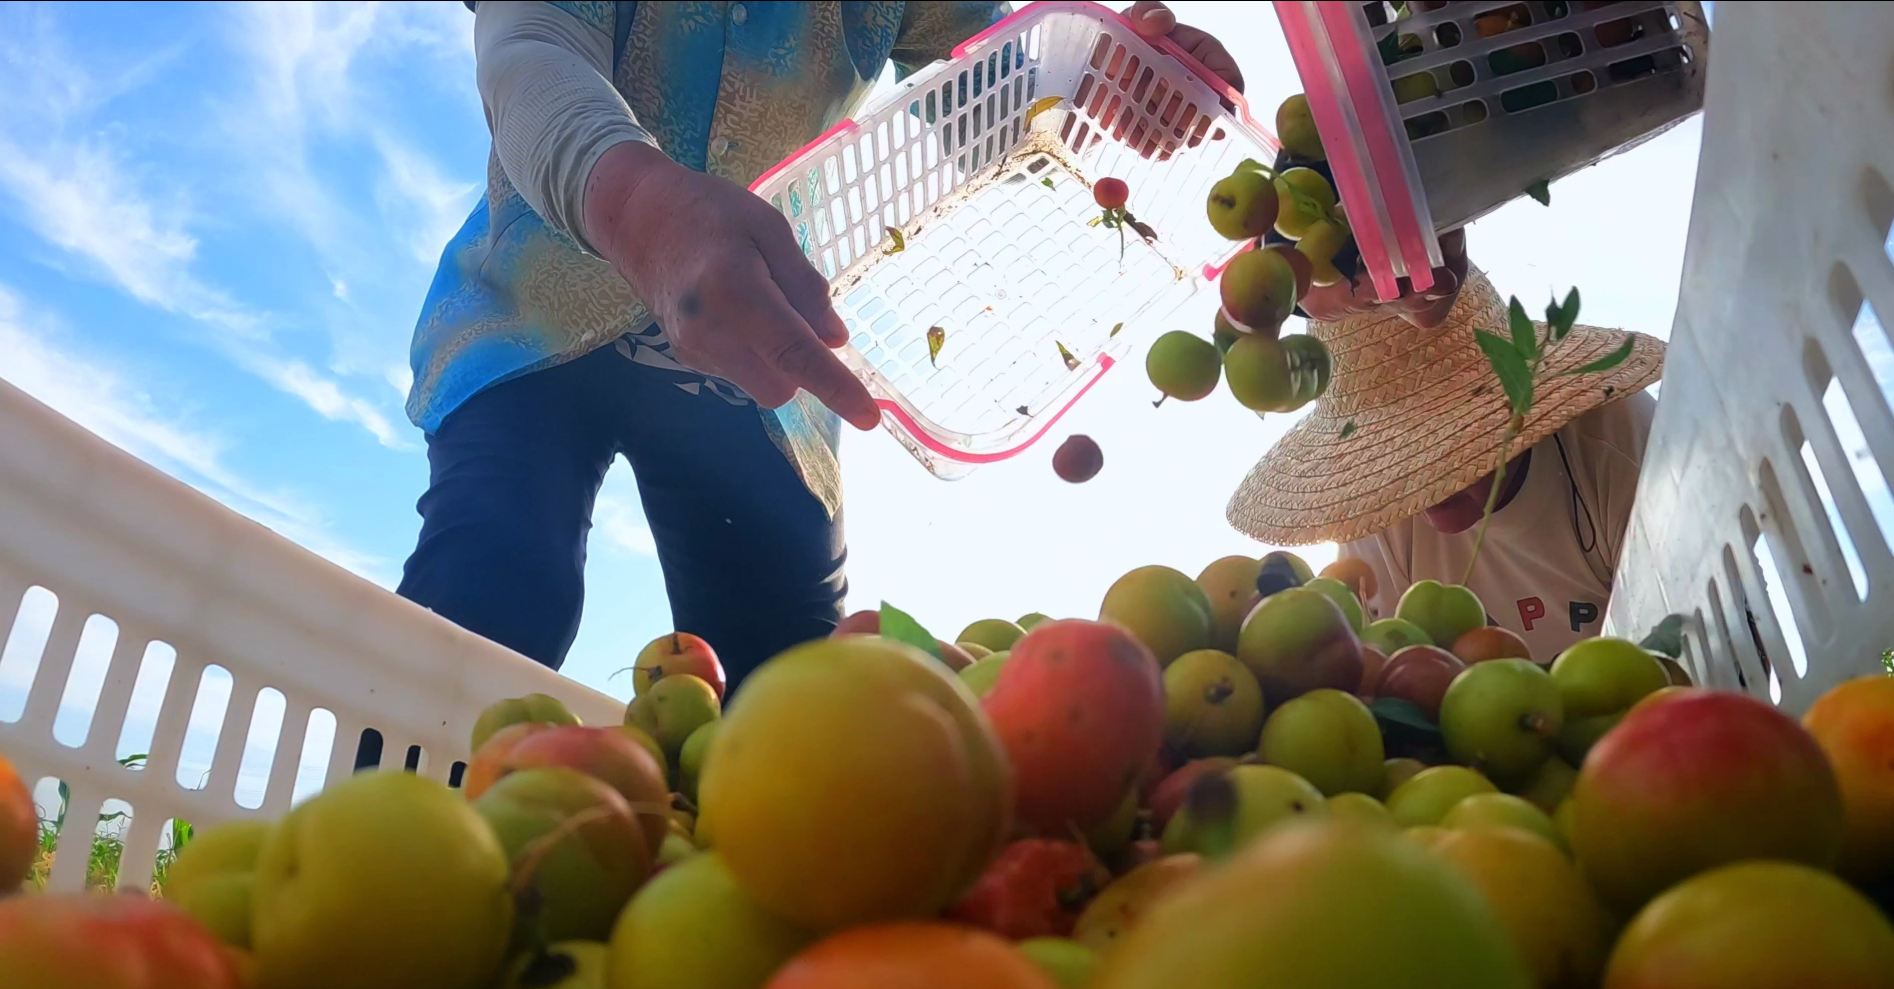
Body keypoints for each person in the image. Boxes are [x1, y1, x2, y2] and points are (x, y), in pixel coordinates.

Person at [395, 1, 1243, 690]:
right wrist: (641, 210)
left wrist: (1097, 88)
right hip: (538, 315)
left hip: (760, 342)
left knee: (793, 683)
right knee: (493, 581)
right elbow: (528, 51)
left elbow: (991, 105)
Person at [1226, 228, 1666, 661]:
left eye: (1441, 448)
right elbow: (1386, 668)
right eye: (1391, 459)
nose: (1420, 482)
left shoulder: (1614, 444)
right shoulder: (1380, 522)